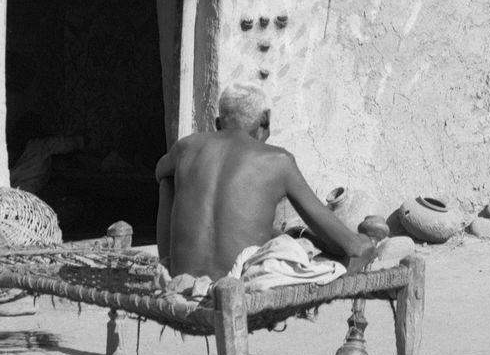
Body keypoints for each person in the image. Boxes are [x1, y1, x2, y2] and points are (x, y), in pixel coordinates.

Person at [155, 82, 378, 282]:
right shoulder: (278, 160)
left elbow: (160, 172)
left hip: (182, 277)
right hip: (240, 281)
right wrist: (364, 242)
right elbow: (349, 246)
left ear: (217, 124)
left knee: (168, 178)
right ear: (265, 121)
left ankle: (166, 261)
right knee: (363, 249)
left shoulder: (185, 148)